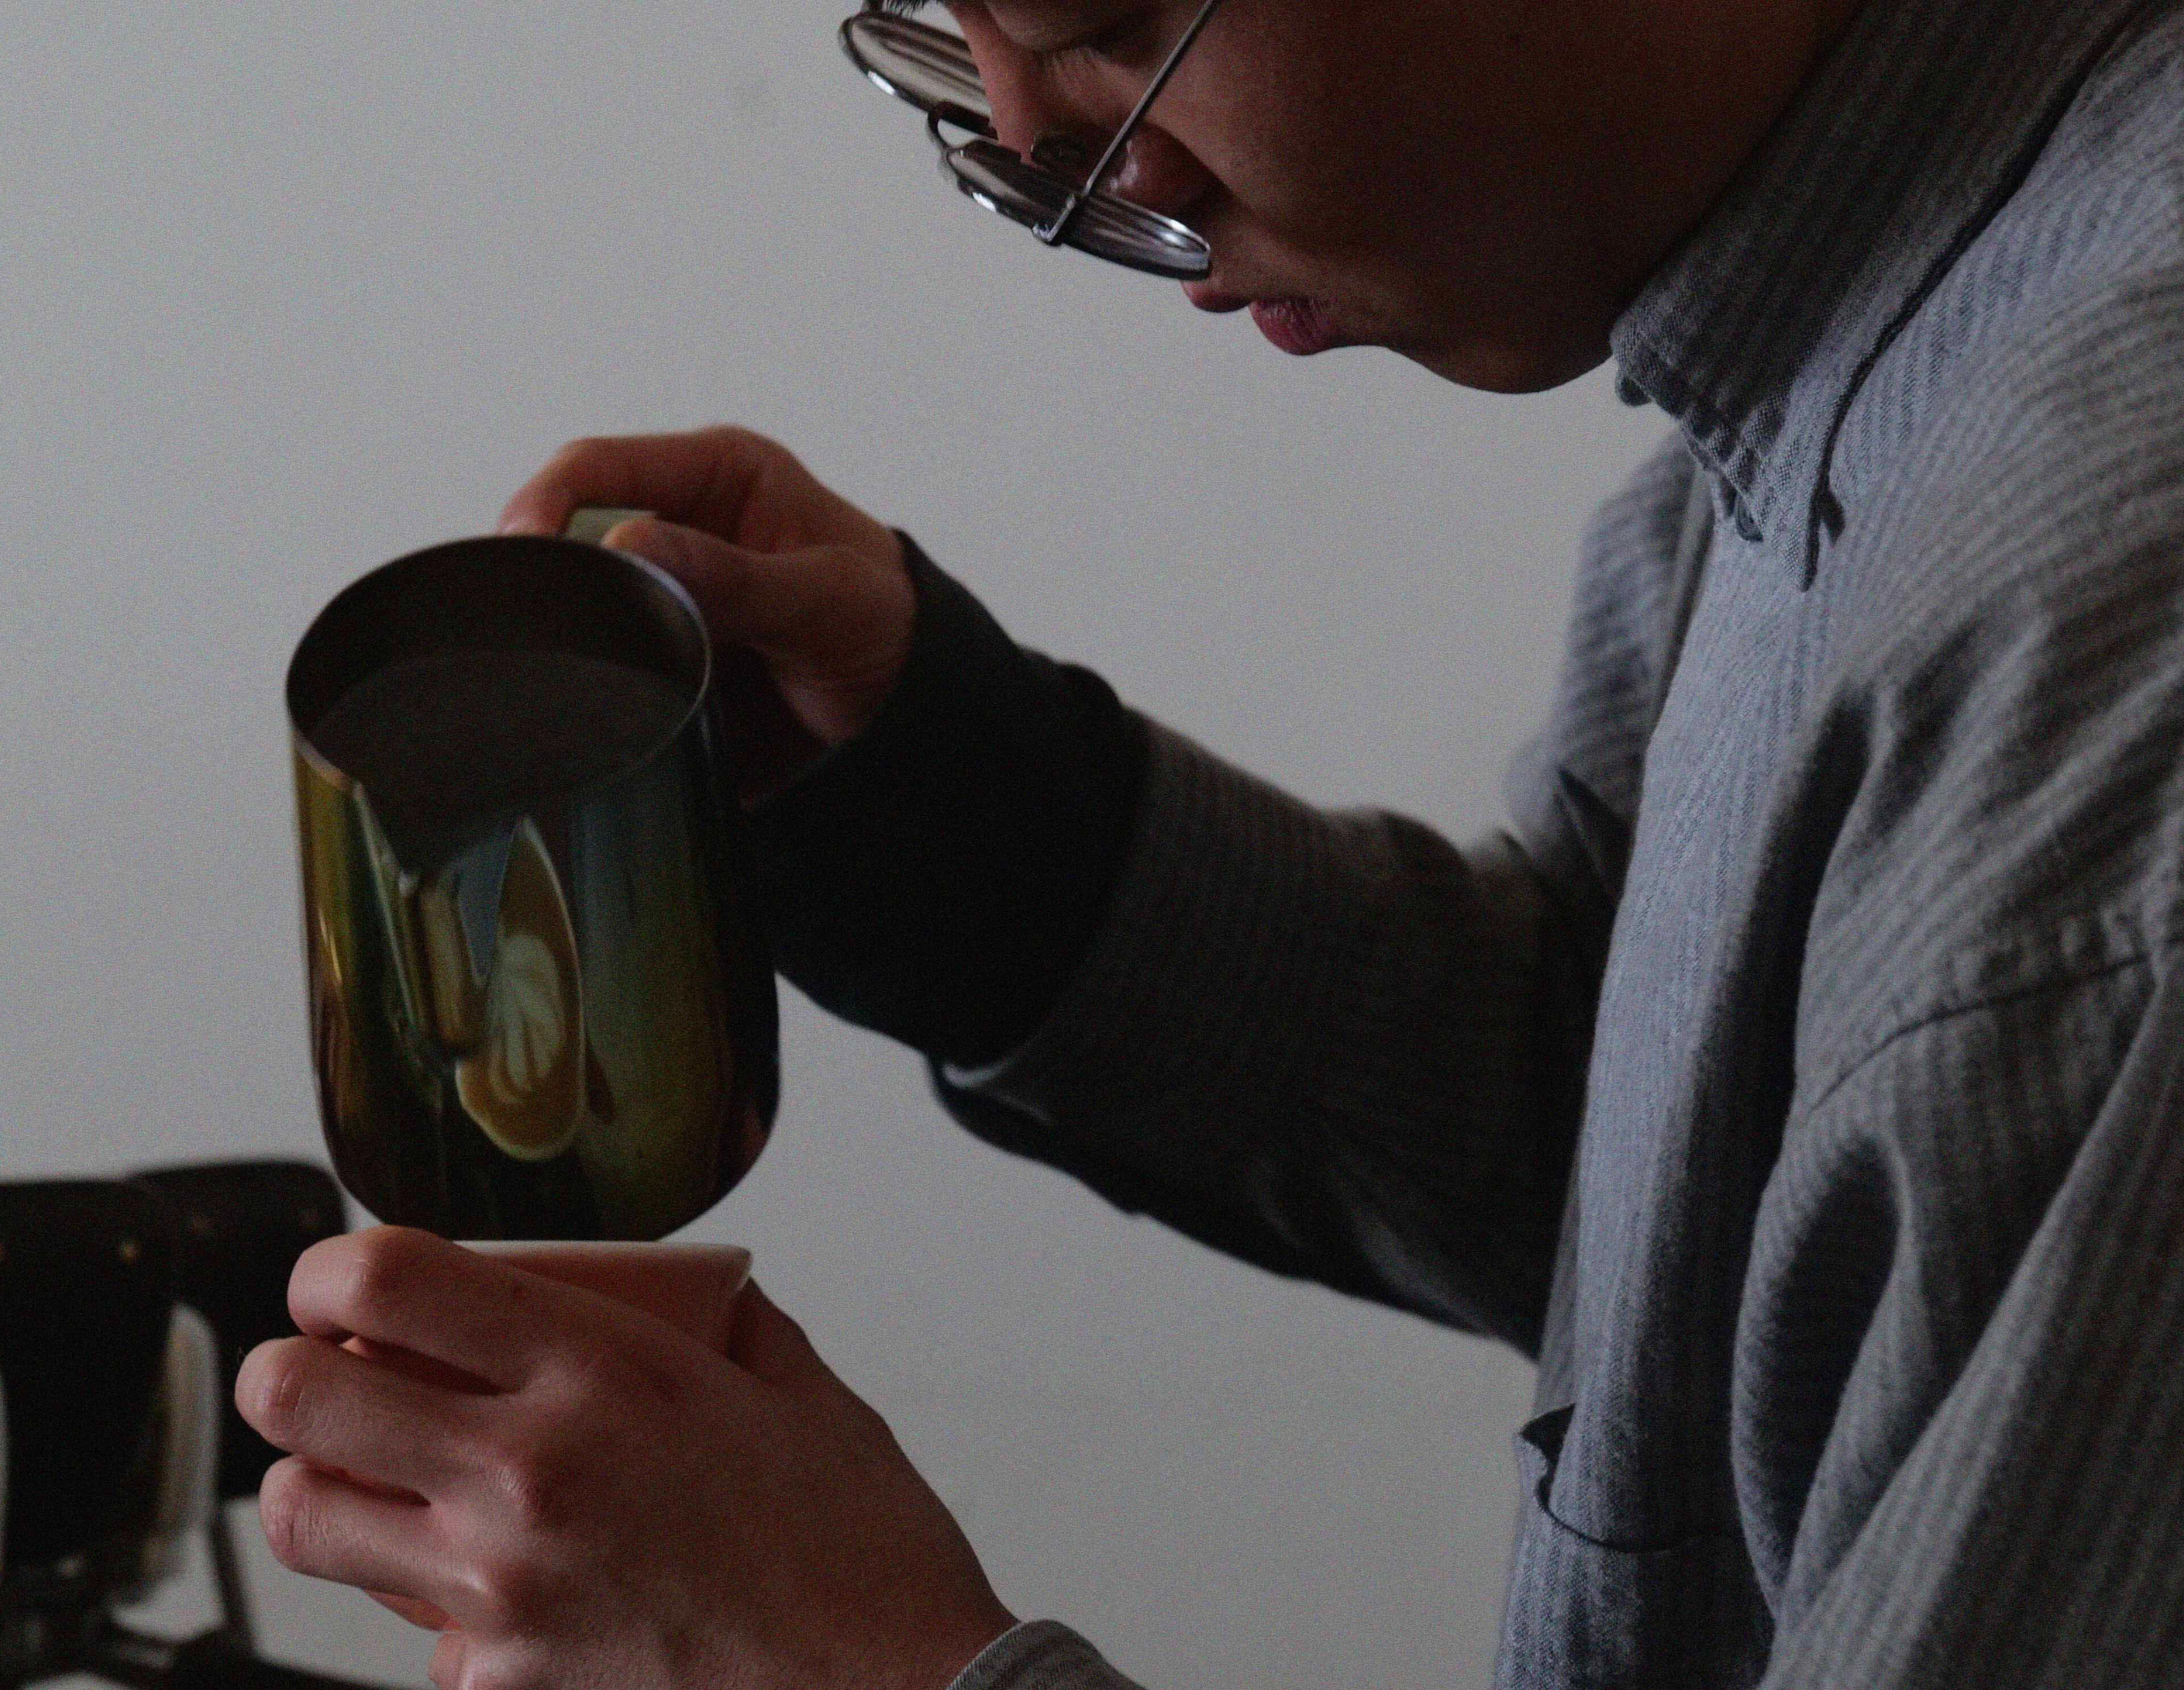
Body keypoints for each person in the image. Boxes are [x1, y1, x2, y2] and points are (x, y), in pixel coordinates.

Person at [235, 0, 2184, 1684]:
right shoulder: (1864, 354)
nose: (1037, 153)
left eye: (1103, 21)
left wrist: (856, 1659)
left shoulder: (2105, 663)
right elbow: (1679, 1157)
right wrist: (941, 798)